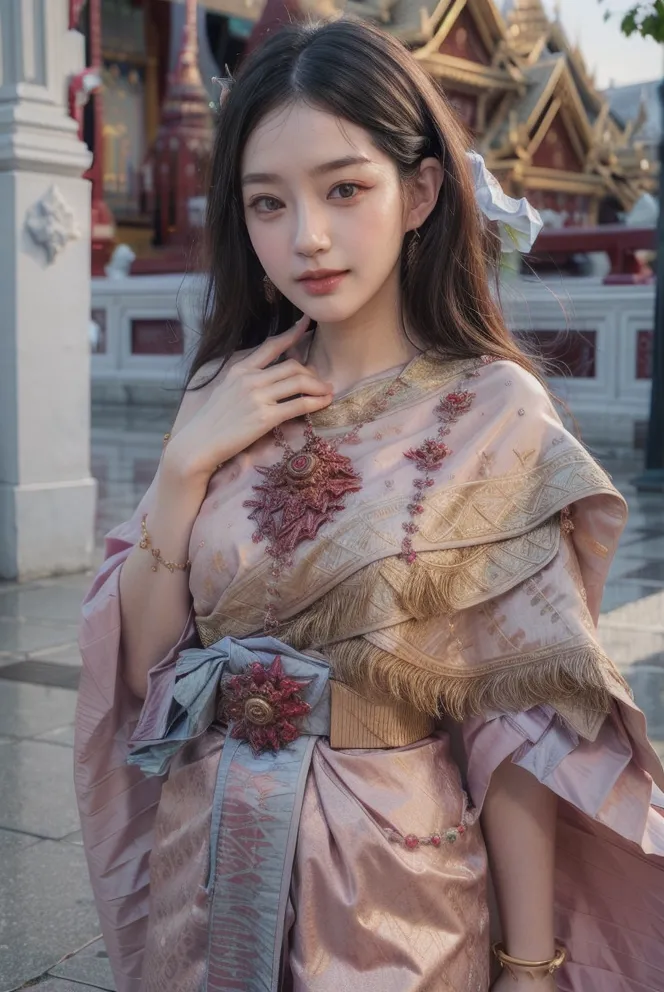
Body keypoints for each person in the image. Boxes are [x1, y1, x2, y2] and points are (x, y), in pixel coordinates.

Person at [74, 17, 664, 992]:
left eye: (344, 189)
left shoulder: (493, 413)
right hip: (206, 860)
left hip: (393, 890)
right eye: (268, 203)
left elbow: (517, 722)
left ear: (419, 190)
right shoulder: (227, 390)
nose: (305, 237)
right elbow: (147, 667)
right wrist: (182, 467)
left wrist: (526, 963)